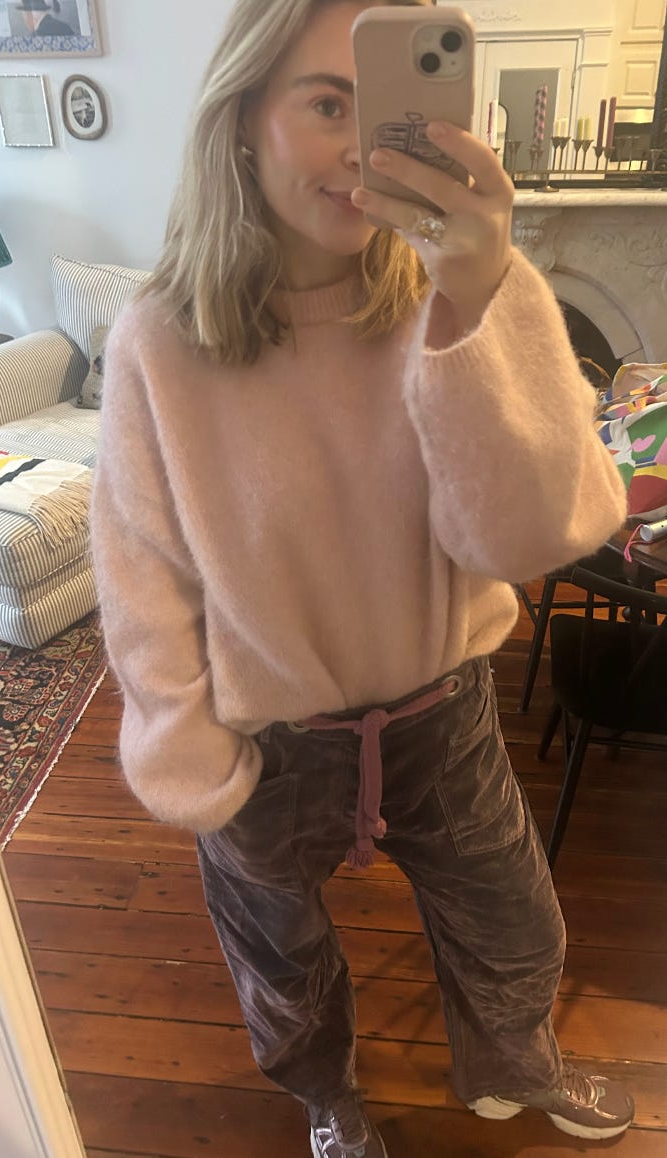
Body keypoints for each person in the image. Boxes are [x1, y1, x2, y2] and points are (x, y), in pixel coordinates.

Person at [91, 1, 634, 1155]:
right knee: (281, 967)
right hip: (267, 740)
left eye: (383, 107)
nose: (359, 148)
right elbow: (143, 568)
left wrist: (482, 298)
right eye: (325, 104)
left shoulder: (451, 298)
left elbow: (536, 532)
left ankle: (511, 1067)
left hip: (444, 712)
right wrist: (187, 749)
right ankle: (327, 1105)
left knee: (516, 932)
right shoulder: (160, 342)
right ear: (244, 116)